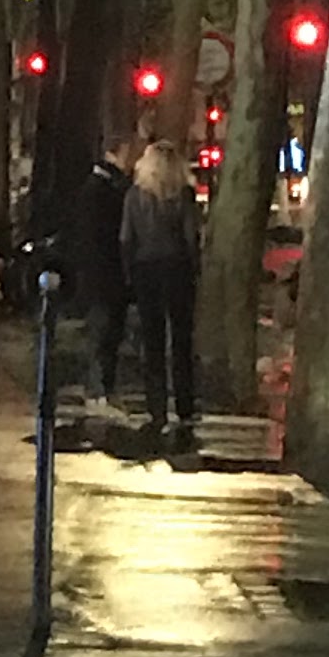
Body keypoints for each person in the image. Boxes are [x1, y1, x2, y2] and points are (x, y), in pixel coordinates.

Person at [120, 135, 202, 452]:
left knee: (152, 341)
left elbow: (126, 238)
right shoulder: (183, 195)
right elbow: (191, 237)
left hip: (146, 270)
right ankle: (184, 405)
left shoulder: (134, 196)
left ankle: (157, 407)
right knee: (181, 339)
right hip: (177, 269)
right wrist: (194, 268)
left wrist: (130, 273)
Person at [80, 131, 138, 394]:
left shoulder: (101, 187)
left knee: (107, 332)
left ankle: (103, 387)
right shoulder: (102, 190)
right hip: (105, 274)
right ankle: (99, 388)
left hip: (104, 275)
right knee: (104, 332)